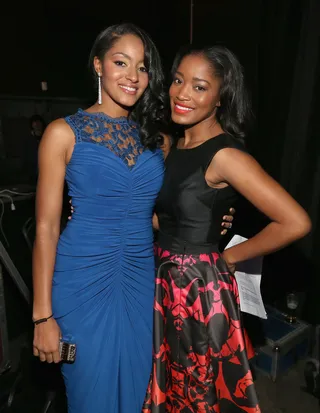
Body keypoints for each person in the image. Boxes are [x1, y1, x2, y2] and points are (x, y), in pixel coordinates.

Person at [32, 23, 235, 413]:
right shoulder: (63, 133)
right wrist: (43, 316)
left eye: (142, 67)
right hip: (81, 280)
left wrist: (215, 219)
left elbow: (178, 203)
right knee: (90, 394)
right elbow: (46, 227)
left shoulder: (158, 141)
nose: (132, 76)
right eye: (120, 62)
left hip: (143, 282)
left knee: (142, 392)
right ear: (98, 65)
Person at [143, 45, 312, 412]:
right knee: (170, 388)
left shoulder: (226, 156)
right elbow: (166, 218)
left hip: (196, 292)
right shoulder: (178, 145)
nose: (183, 93)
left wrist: (228, 256)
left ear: (221, 98)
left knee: (196, 393)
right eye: (178, 80)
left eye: (199, 87)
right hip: (163, 281)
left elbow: (295, 221)